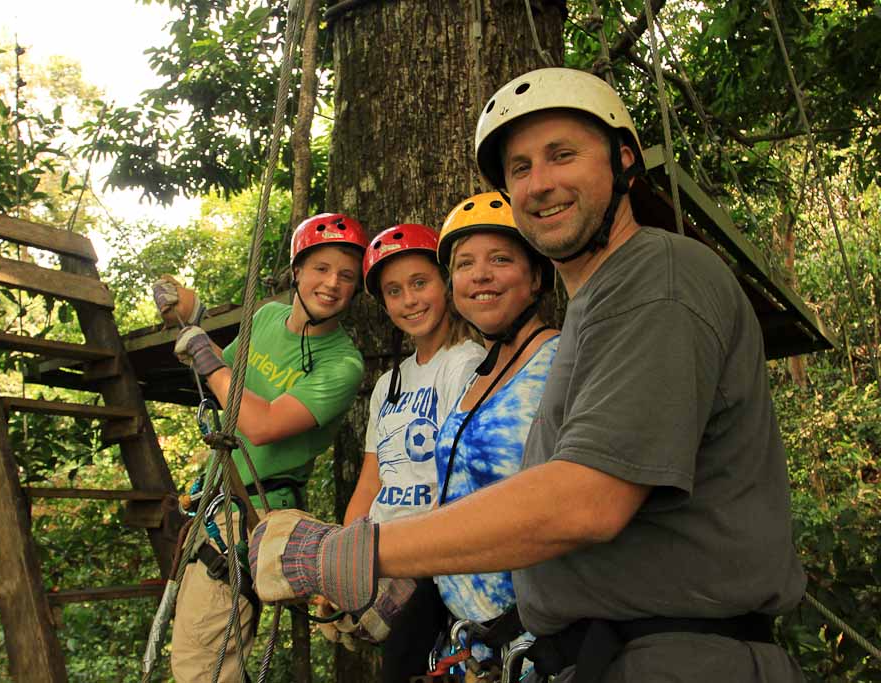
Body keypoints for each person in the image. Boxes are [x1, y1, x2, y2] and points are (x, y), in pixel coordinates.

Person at [248, 67, 807, 683]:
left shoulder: (658, 277)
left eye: (562, 155)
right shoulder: (596, 310)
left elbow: (586, 501)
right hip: (587, 649)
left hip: (676, 652)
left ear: (623, 162)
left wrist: (351, 553)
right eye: (520, 169)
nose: (540, 184)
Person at [157, 213, 368, 683]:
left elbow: (261, 424)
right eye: (321, 268)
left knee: (200, 668)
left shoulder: (344, 364)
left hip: (253, 512)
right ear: (297, 271)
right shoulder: (267, 317)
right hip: (217, 497)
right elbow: (225, 384)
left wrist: (205, 353)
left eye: (346, 276)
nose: (332, 283)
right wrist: (192, 323)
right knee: (205, 657)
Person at [339, 223, 484, 680]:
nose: (410, 300)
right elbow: (371, 478)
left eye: (420, 283)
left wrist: (419, 565)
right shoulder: (390, 383)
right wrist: (343, 558)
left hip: (431, 559)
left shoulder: (466, 362)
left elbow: (463, 478)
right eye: (394, 292)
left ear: (444, 283)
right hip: (384, 551)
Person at [431, 192, 559, 668]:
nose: (480, 275)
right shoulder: (473, 375)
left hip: (534, 642)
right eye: (465, 264)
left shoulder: (561, 361)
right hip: (464, 642)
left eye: (500, 259)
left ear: (536, 276)